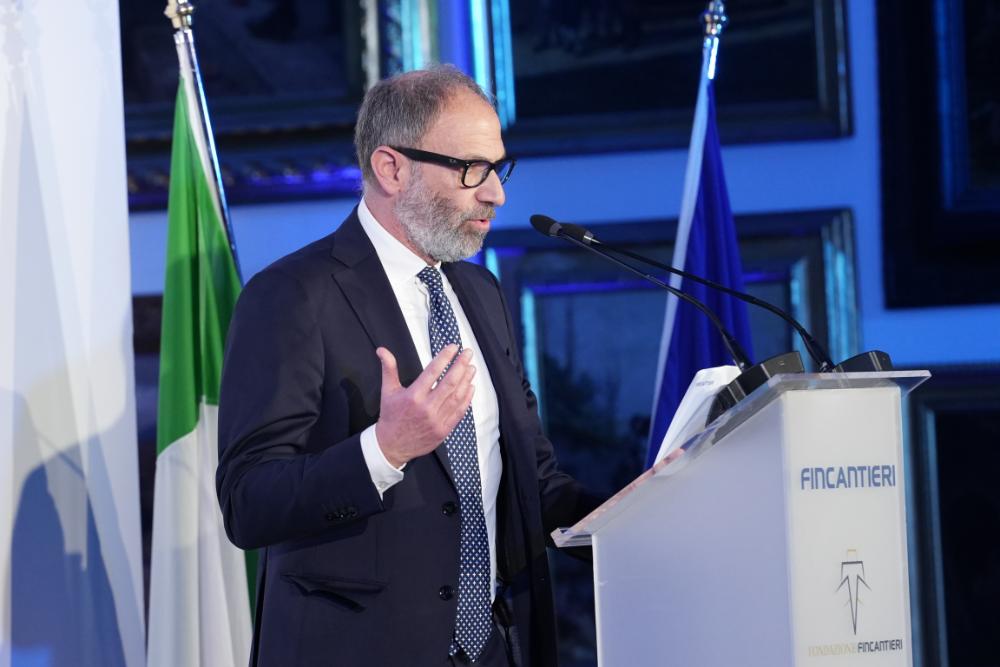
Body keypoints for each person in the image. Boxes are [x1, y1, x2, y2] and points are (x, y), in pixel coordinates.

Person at [216, 64, 602, 667]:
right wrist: (384, 449)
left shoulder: (480, 293)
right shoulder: (292, 295)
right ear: (392, 168)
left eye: (498, 169)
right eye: (471, 168)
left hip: (497, 648)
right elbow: (248, 502)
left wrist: (642, 514)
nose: (496, 193)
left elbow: (534, 479)